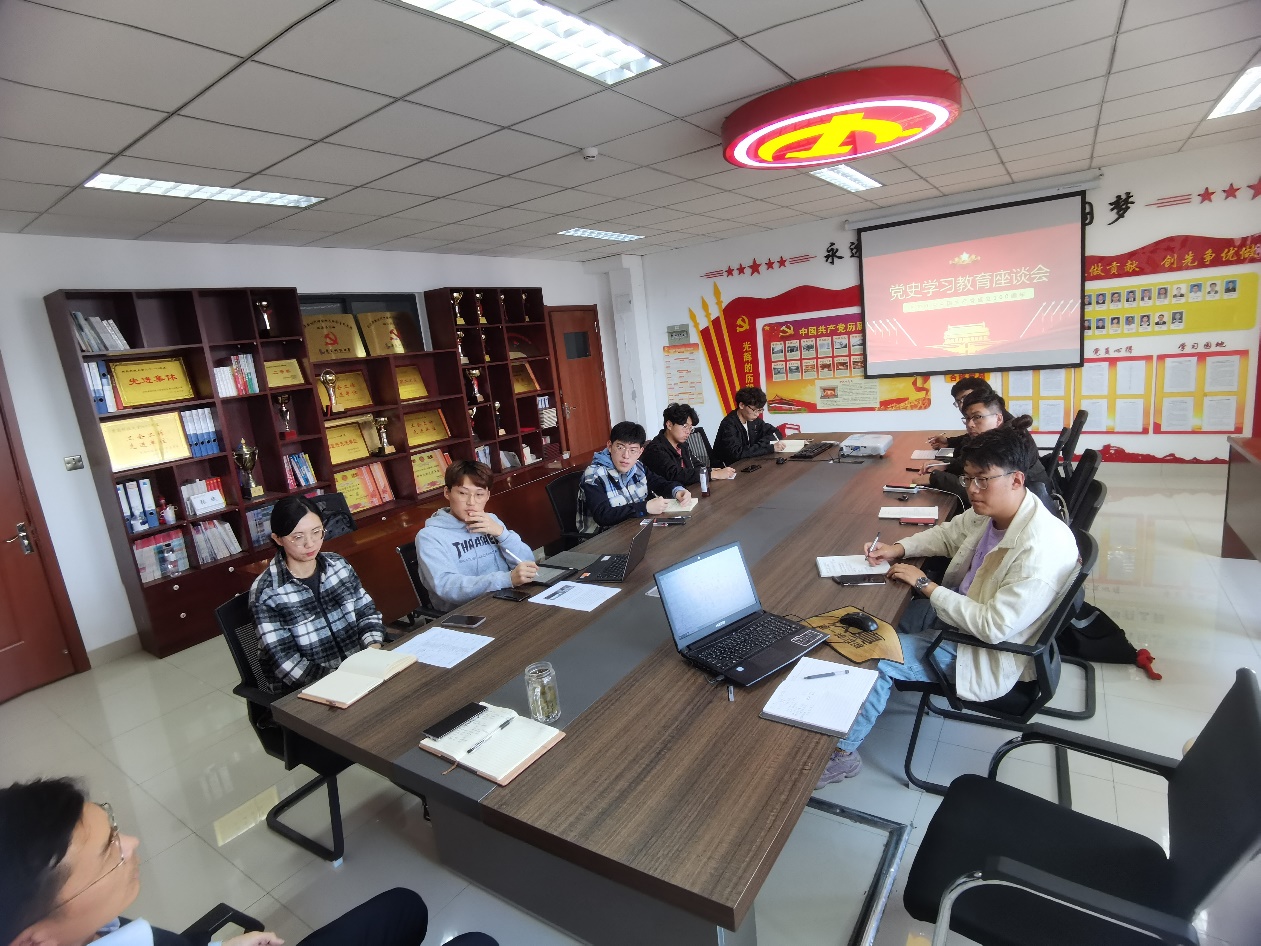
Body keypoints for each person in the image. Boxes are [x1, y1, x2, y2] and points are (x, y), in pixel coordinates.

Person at [815, 426, 1079, 786]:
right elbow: (949, 533)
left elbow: (993, 627)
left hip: (981, 649)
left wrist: (926, 585)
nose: (972, 489)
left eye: (982, 480)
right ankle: (846, 700)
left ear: (1017, 479)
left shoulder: (1038, 551)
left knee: (875, 653)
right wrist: (898, 548)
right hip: (961, 615)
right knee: (868, 619)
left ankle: (842, 754)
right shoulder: (1000, 510)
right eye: (968, 478)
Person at [0, 777, 497, 946]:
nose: (131, 843)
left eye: (113, 829)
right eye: (109, 852)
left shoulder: (88, 928)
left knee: (405, 906)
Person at [249, 496, 384, 692]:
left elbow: (366, 613)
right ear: (278, 539)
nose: (310, 543)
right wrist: (343, 680)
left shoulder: (338, 565)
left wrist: (373, 651)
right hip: (309, 690)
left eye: (316, 532)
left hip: (362, 674)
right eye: (298, 537)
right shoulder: (267, 593)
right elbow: (286, 662)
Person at [415, 460, 537, 611]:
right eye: (462, 493)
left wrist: (502, 534)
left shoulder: (491, 521)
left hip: (509, 600)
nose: (471, 502)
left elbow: (528, 564)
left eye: (479, 494)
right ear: (447, 492)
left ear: (487, 495)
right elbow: (447, 586)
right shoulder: (430, 536)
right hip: (467, 613)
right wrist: (506, 579)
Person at [577, 421, 690, 534]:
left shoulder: (638, 467)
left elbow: (660, 483)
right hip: (601, 538)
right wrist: (645, 507)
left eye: (633, 450)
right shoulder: (593, 475)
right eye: (620, 447)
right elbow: (602, 515)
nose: (626, 456)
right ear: (610, 446)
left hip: (633, 529)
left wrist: (678, 491)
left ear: (640, 452)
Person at [642, 403, 735, 486]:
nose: (688, 432)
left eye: (690, 428)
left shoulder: (682, 445)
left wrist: (713, 470)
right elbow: (675, 474)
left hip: (690, 490)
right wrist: (711, 474)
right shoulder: (655, 449)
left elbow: (696, 465)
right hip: (670, 496)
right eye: (685, 426)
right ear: (669, 425)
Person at [711, 387, 785, 467]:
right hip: (728, 468)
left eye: (760, 410)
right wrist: (769, 448)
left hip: (748, 463)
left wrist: (762, 445)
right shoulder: (729, 424)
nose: (757, 414)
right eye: (754, 410)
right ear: (741, 405)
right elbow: (737, 453)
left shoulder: (753, 420)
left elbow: (775, 433)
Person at [927, 377, 993, 448]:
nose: (961, 405)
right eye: (958, 402)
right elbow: (972, 438)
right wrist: (948, 442)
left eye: (965, 398)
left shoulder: (999, 433)